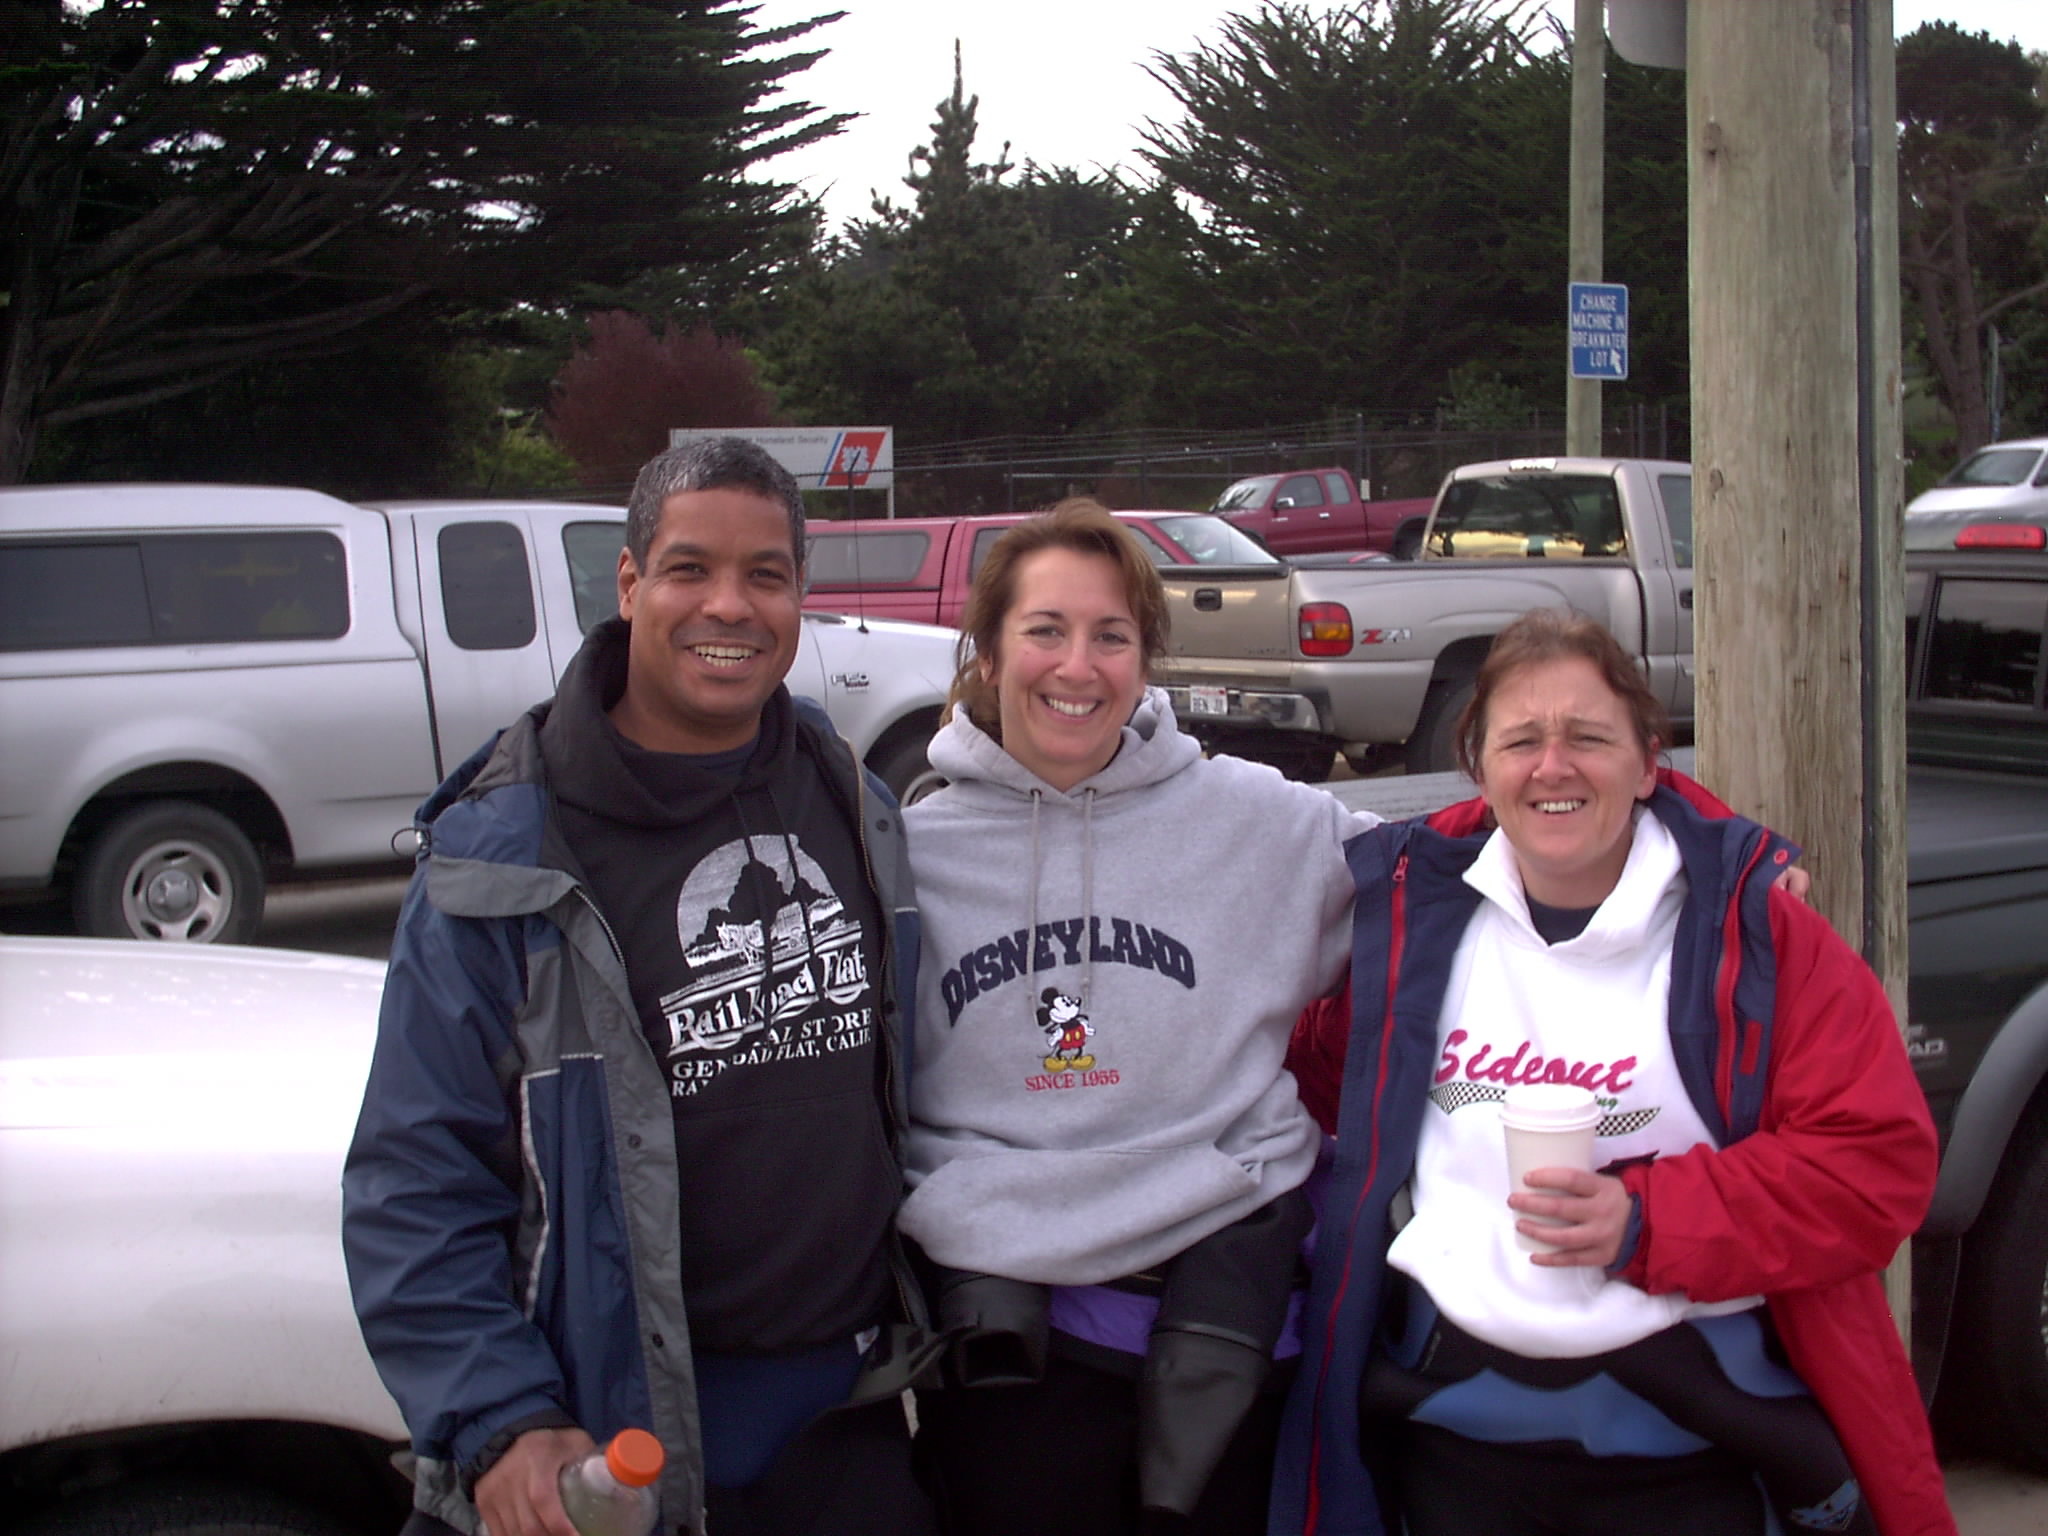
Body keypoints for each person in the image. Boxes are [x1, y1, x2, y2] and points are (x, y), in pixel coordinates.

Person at [341, 437, 940, 1536]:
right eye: (689, 569)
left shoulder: (845, 793)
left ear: (800, 593)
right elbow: (414, 1182)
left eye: (765, 574)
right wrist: (501, 1417)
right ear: (628, 585)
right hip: (622, 1444)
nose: (730, 605)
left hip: (850, 1419)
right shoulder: (503, 857)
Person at [1270, 608, 1953, 1536]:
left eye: (1589, 738)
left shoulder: (1757, 938)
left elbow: (1877, 1167)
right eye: (1520, 741)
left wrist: (1647, 1218)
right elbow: (1304, 1073)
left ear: (1647, 761)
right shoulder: (1416, 933)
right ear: (1480, 766)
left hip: (1690, 1444)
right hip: (1452, 1441)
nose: (1553, 766)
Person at [898, 498, 1392, 1535]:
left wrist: (1719, 864)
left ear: (1143, 659)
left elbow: (1467, 867)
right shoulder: (909, 855)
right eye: (1044, 630)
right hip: (1004, 1316)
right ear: (987, 652)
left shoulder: (1252, 818)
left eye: (1110, 636)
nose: (1077, 667)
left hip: (1224, 1297)